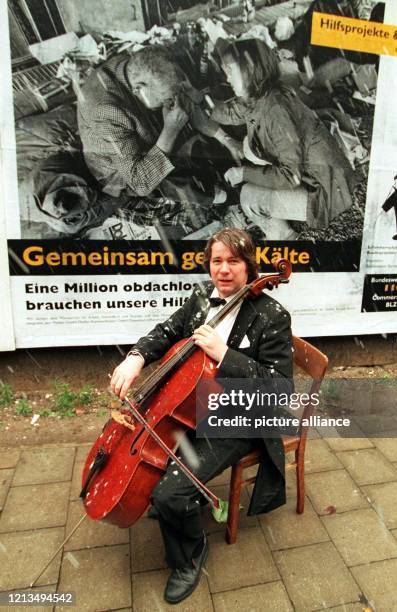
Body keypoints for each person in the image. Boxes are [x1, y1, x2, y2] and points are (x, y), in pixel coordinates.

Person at [110, 227, 293, 604]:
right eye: (217, 261)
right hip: (190, 406)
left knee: (171, 493)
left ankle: (189, 557)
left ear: (249, 266)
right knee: (158, 466)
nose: (224, 270)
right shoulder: (200, 299)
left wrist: (225, 355)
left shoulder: (272, 315)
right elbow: (167, 331)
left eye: (234, 261)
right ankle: (171, 506)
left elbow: (279, 390)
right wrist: (136, 358)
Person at [77, 45, 242, 232]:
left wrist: (227, 140)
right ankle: (219, 199)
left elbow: (185, 104)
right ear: (139, 89)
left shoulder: (141, 65)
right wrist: (171, 129)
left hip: (146, 135)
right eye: (166, 100)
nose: (171, 103)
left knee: (211, 145)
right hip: (124, 175)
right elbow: (140, 182)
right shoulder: (106, 111)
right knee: (185, 196)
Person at [212, 39, 356, 240]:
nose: (227, 79)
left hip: (329, 192)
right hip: (326, 176)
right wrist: (201, 102)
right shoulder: (266, 93)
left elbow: (290, 176)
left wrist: (244, 173)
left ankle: (284, 236)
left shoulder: (276, 112)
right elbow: (231, 112)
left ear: (249, 70)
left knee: (249, 196)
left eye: (230, 71)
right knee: (250, 148)